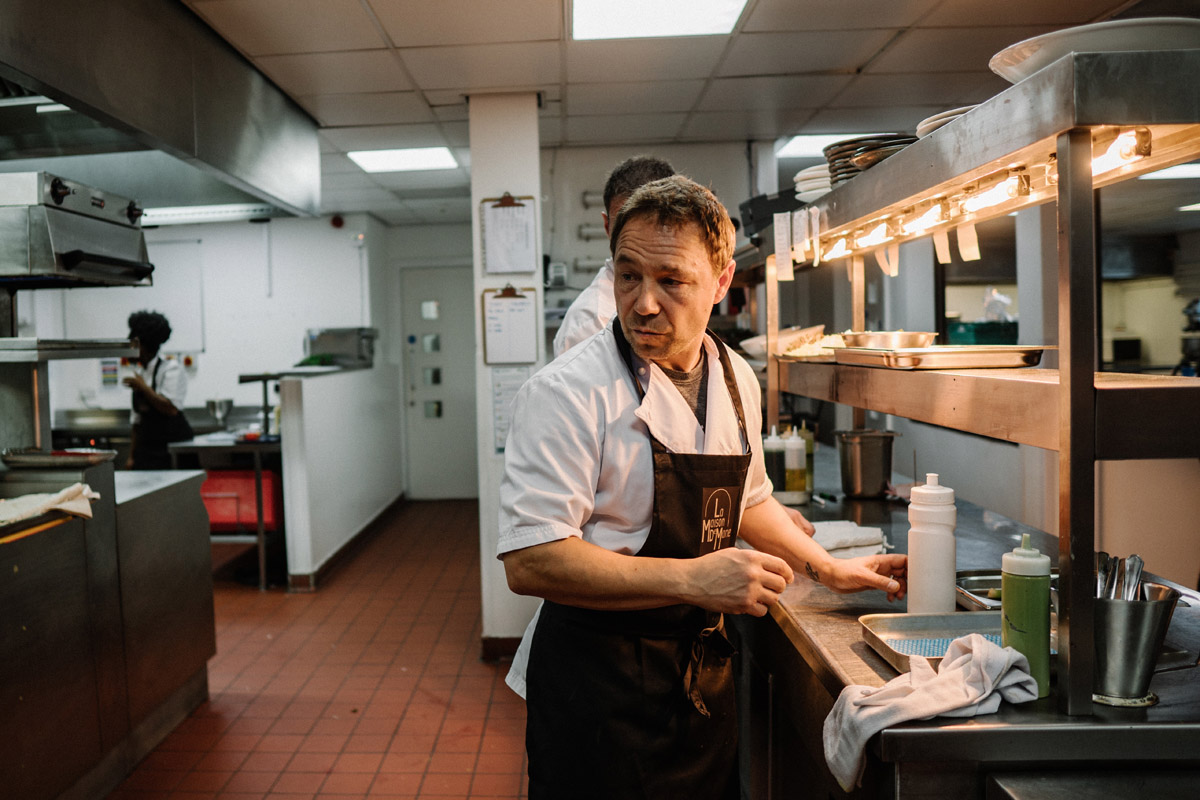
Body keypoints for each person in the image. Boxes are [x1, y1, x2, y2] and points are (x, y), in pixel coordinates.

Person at [498, 176, 907, 799]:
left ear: (721, 282)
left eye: (671, 281)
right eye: (628, 275)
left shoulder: (734, 376)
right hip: (596, 690)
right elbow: (532, 561)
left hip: (699, 683)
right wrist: (694, 580)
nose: (643, 302)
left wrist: (826, 568)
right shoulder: (565, 393)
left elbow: (749, 499)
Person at [552, 154, 675, 357]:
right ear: (607, 226)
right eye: (623, 224)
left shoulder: (686, 289)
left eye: (653, 223)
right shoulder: (592, 321)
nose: (638, 238)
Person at [124, 310, 192, 469]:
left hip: (171, 448)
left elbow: (170, 408)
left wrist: (143, 387)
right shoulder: (140, 373)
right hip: (147, 449)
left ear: (143, 347)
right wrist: (131, 456)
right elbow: (137, 421)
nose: (129, 349)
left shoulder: (171, 369)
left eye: (133, 345)